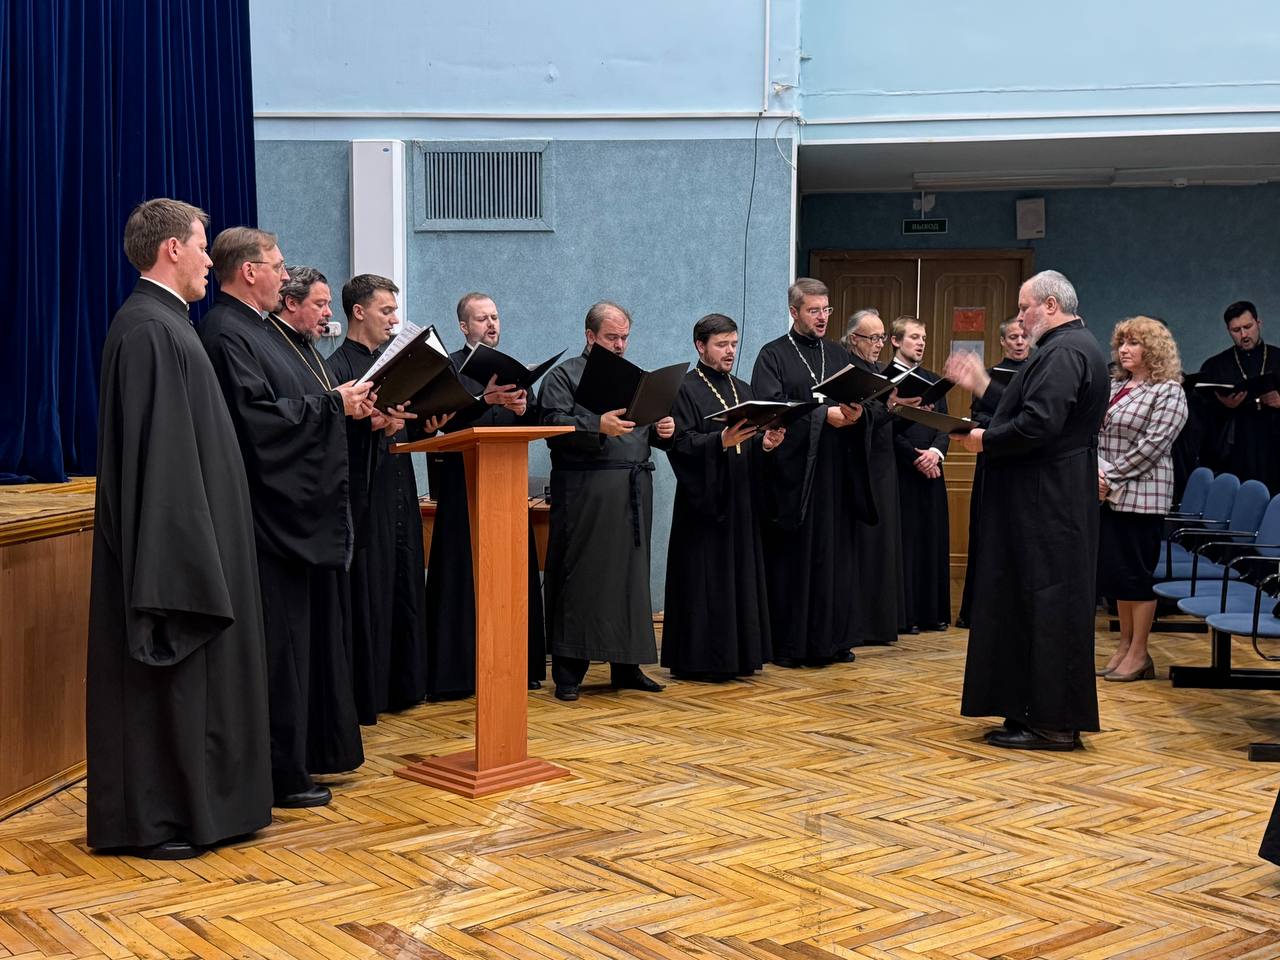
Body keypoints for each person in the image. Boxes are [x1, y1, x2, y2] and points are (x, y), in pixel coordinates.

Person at [87, 199, 272, 860]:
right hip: (178, 558)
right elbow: (162, 465)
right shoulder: (149, 330)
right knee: (170, 692)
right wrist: (185, 570)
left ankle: (205, 809)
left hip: (202, 543)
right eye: (200, 246)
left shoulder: (167, 325)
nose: (207, 261)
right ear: (172, 249)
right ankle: (163, 818)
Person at [201, 236, 372, 807]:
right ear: (250, 272)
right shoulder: (228, 332)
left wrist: (342, 406)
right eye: (276, 267)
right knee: (280, 649)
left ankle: (303, 755)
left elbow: (296, 401)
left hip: (292, 516)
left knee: (300, 646)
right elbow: (256, 421)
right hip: (267, 520)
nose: (284, 276)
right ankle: (279, 770)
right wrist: (333, 405)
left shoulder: (263, 330)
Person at [945, 269, 1108, 751]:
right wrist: (983, 386)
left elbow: (1038, 425)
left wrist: (984, 439)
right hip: (1051, 493)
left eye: (1024, 307)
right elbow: (1031, 408)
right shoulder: (1070, 347)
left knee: (1047, 602)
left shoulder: (1064, 352)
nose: (1019, 318)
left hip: (1047, 499)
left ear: (1050, 306)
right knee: (1033, 600)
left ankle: (1052, 722)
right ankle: (1035, 713)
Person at [537, 301, 675, 701]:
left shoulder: (634, 378)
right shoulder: (563, 376)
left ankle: (626, 666)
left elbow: (643, 429)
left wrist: (662, 429)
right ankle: (569, 672)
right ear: (590, 335)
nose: (620, 345)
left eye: (624, 337)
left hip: (632, 488)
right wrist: (596, 425)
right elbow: (549, 425)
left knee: (630, 580)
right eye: (612, 337)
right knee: (582, 577)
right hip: (586, 491)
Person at [420, 291, 547, 700]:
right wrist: (483, 400)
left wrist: (524, 410)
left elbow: (536, 419)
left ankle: (518, 664)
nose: (491, 324)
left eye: (495, 317)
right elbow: (439, 418)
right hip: (463, 484)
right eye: (482, 319)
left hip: (507, 483)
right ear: (463, 326)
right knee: (462, 571)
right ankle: (457, 671)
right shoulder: (449, 367)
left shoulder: (512, 369)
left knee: (513, 572)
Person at [750, 278, 874, 668]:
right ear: (794, 311)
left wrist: (857, 414)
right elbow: (769, 411)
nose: (822, 318)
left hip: (835, 476)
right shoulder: (772, 355)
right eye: (814, 310)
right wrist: (823, 414)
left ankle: (834, 639)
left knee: (835, 558)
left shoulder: (837, 353)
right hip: (796, 478)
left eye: (826, 310)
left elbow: (860, 401)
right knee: (797, 560)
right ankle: (792, 644)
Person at [326, 274, 429, 721]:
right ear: (358, 311)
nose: (393, 319)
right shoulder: (335, 368)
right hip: (364, 496)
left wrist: (421, 419)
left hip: (400, 484)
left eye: (394, 311)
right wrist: (372, 427)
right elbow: (329, 439)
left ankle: (405, 685)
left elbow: (410, 420)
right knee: (371, 586)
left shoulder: (394, 362)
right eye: (386, 311)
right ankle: (371, 692)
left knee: (403, 579)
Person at [661, 313, 782, 680]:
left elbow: (751, 446)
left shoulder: (743, 389)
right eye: (722, 345)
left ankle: (741, 657)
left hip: (740, 500)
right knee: (706, 580)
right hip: (704, 505)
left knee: (740, 577)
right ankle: (700, 660)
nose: (730, 351)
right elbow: (679, 444)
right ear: (700, 346)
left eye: (733, 344)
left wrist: (766, 443)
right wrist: (719, 441)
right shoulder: (683, 389)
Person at [1095, 317, 1188, 681]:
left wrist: (1109, 477)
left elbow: (1153, 446)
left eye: (1133, 343)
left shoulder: (1168, 390)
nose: (1124, 350)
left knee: (1135, 574)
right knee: (1118, 575)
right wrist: (1098, 474)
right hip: (1108, 493)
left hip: (1143, 495)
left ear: (1153, 349)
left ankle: (1140, 653)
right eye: (1122, 343)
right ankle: (1124, 646)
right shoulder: (1116, 385)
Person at [956, 318, 1030, 628]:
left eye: (1023, 336)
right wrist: (1003, 427)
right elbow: (980, 416)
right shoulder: (989, 375)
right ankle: (978, 611)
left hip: (1024, 467)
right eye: (1013, 337)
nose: (1019, 342)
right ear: (1002, 341)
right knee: (987, 535)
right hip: (993, 462)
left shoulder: (1036, 373)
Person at [886, 316, 951, 633]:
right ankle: (907, 615)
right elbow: (885, 429)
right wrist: (915, 457)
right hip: (901, 470)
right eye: (914, 337)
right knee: (907, 543)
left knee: (932, 540)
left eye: (923, 338)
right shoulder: (883, 379)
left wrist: (936, 453)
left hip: (933, 468)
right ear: (896, 341)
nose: (921, 343)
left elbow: (945, 424)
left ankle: (932, 613)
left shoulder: (933, 380)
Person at [842, 308, 903, 646]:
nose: (880, 344)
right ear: (854, 339)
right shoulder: (849, 371)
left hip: (883, 463)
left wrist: (902, 408)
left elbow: (882, 418)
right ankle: (862, 625)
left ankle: (881, 623)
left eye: (882, 337)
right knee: (865, 543)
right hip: (861, 465)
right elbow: (858, 418)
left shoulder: (879, 371)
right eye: (873, 338)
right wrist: (888, 408)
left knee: (883, 543)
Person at [1198, 301, 1280, 493]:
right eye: (1236, 330)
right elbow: (1200, 414)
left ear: (1258, 323)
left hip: (1275, 445)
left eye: (1248, 327)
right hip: (1237, 449)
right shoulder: (1215, 366)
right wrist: (1223, 406)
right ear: (1228, 330)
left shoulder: (1278, 357)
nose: (1243, 335)